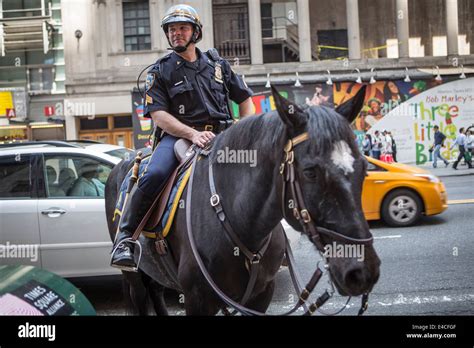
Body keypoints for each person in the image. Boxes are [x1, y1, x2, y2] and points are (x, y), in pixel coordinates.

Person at [110, 4, 255, 271]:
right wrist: (192, 133)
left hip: (223, 137)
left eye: (182, 28)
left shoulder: (218, 64)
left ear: (195, 32)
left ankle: (269, 241)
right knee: (154, 174)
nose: (176, 33)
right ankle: (125, 239)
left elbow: (246, 101)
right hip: (178, 138)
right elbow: (158, 115)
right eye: (172, 29)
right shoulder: (160, 70)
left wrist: (241, 132)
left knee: (259, 170)